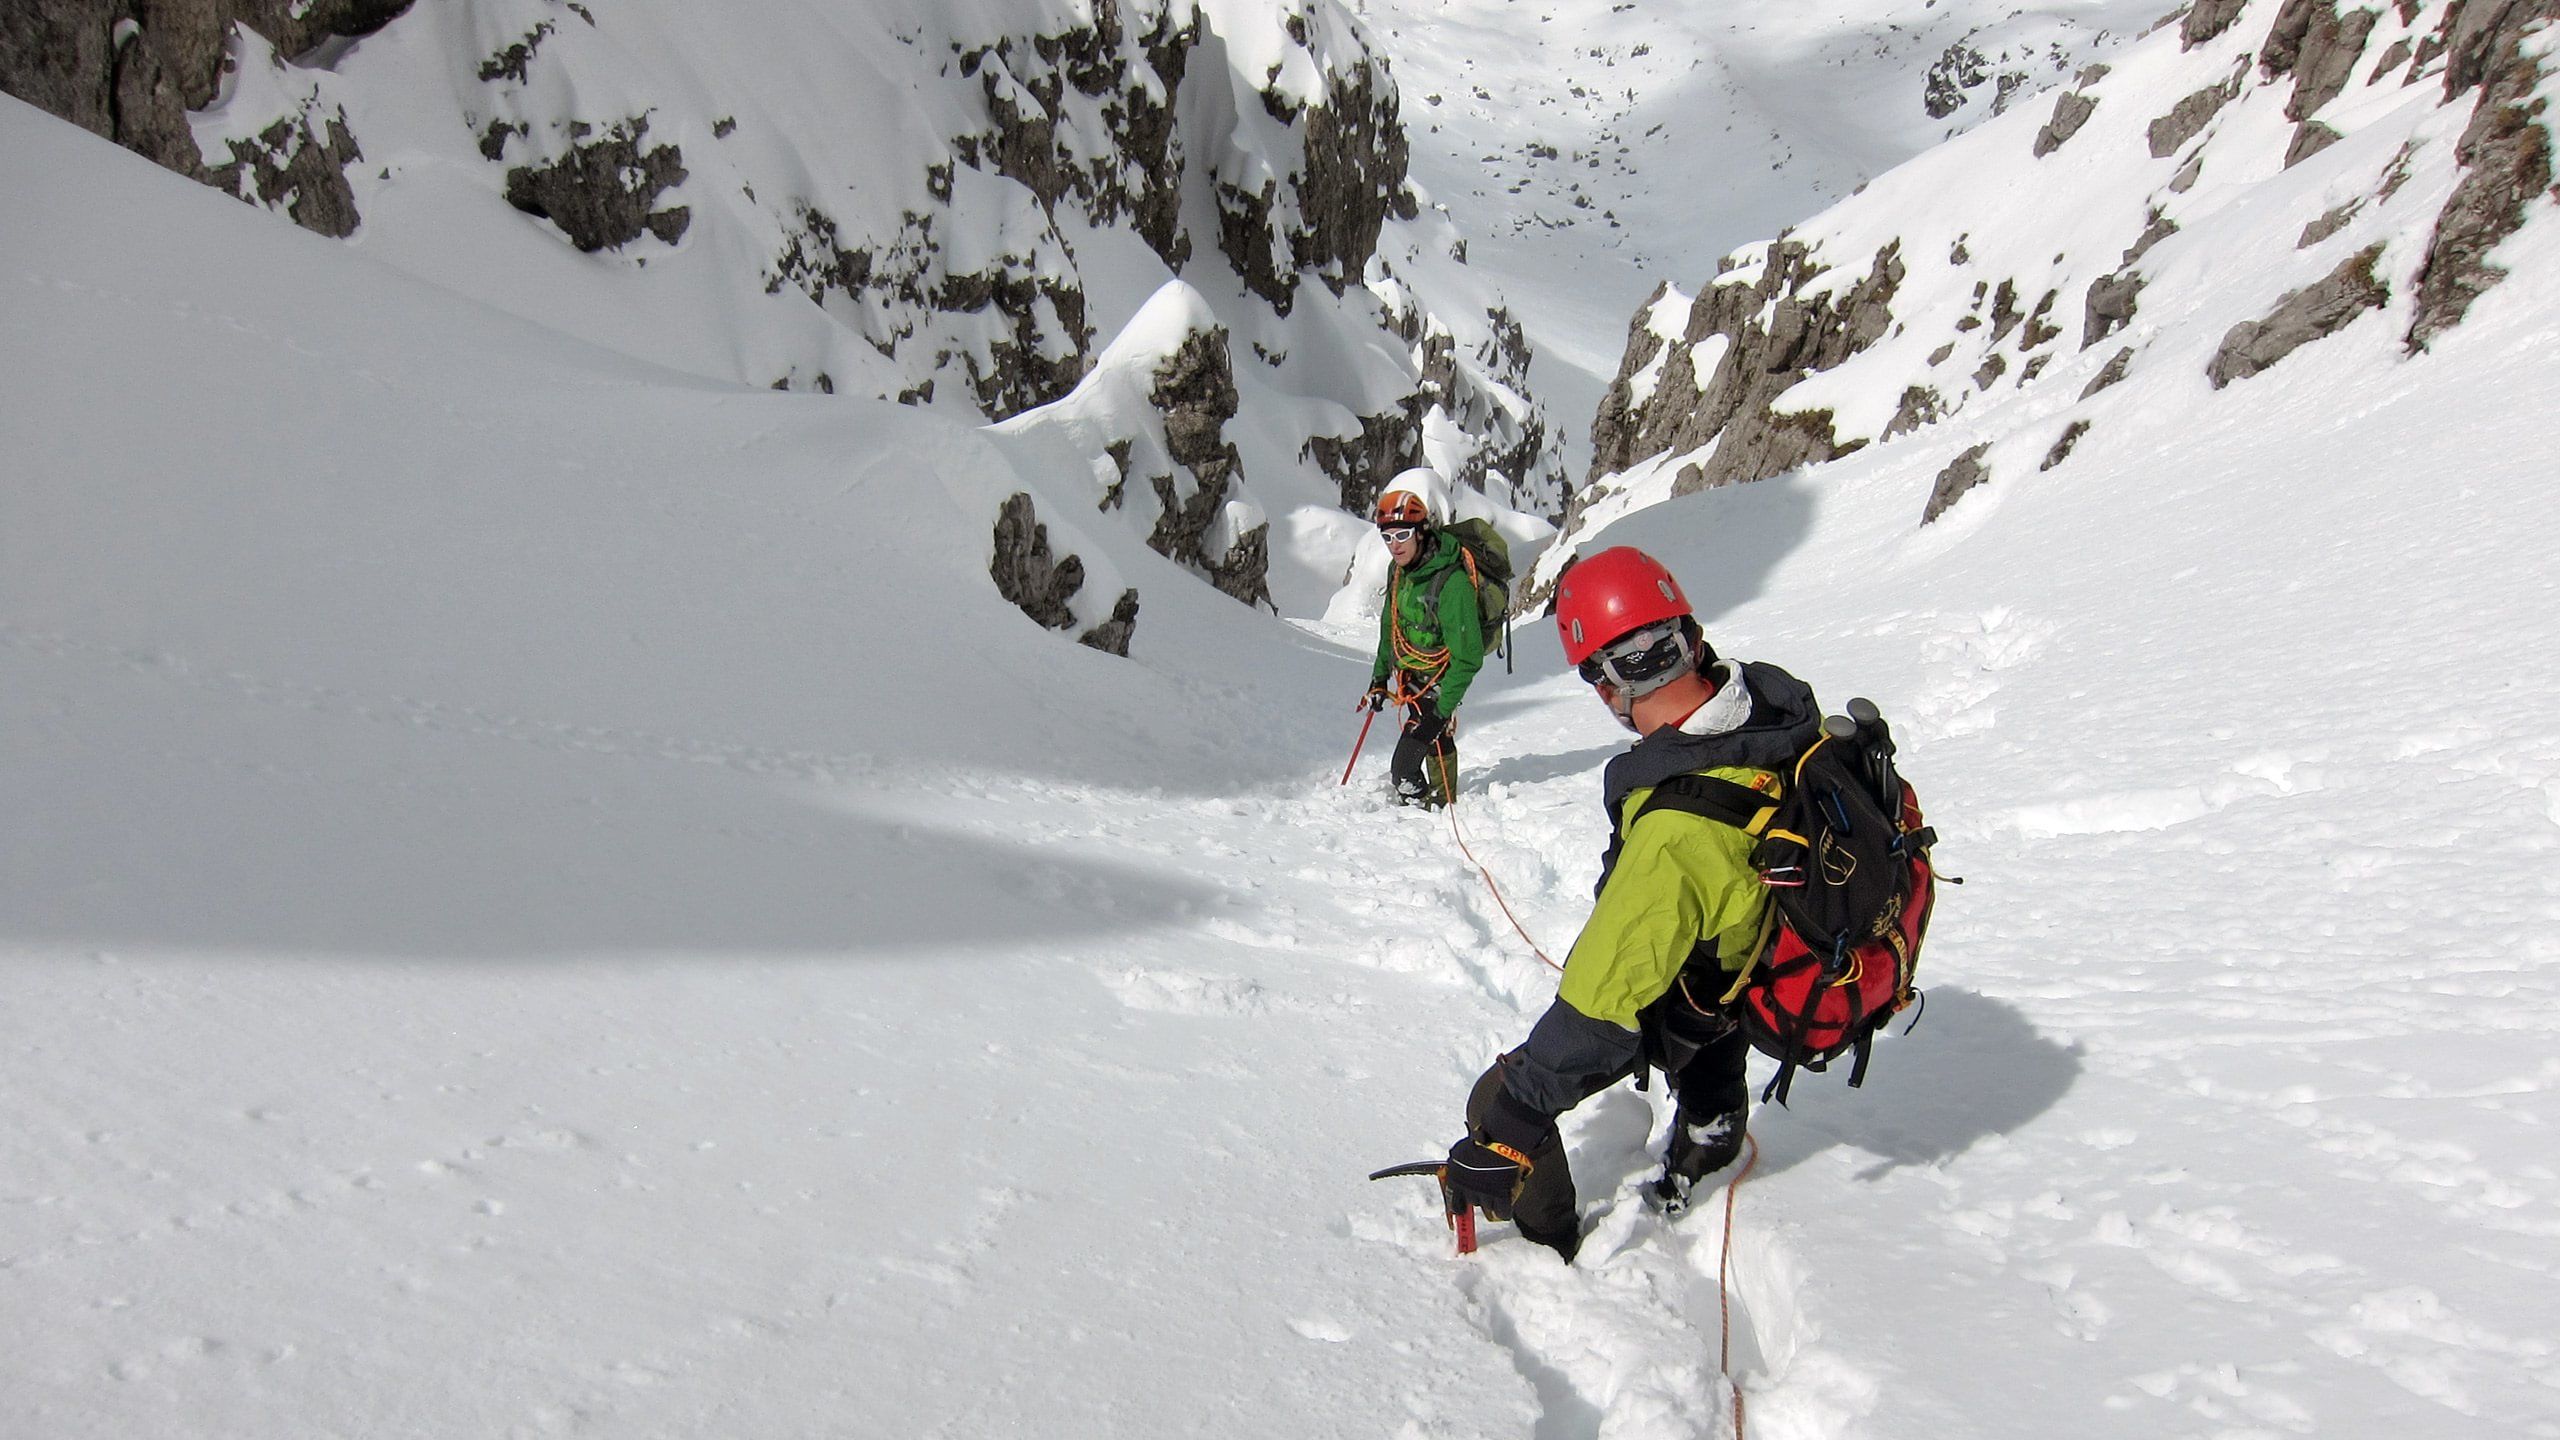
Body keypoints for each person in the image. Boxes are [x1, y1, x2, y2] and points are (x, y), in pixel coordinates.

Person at [1441, 545, 1825, 1261]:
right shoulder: (1774, 713)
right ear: (1693, 637)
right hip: (1758, 953)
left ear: (1604, 682)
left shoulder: (1676, 833)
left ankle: (1547, 1247)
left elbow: (1601, 1004)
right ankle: (1712, 1126)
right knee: (1705, 995)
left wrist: (1516, 1117)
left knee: (1499, 1101)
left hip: (1702, 979)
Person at [1362, 477, 1485, 808]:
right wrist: (1379, 677)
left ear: (1421, 533)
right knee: (1433, 740)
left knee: (1404, 766)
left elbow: (1468, 657)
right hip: (1410, 676)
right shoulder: (1399, 571)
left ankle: (1425, 809)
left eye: (1402, 535)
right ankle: (1442, 804)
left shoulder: (1453, 584)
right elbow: (1391, 624)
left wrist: (1441, 712)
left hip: (1440, 680)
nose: (1394, 545)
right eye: (1387, 536)